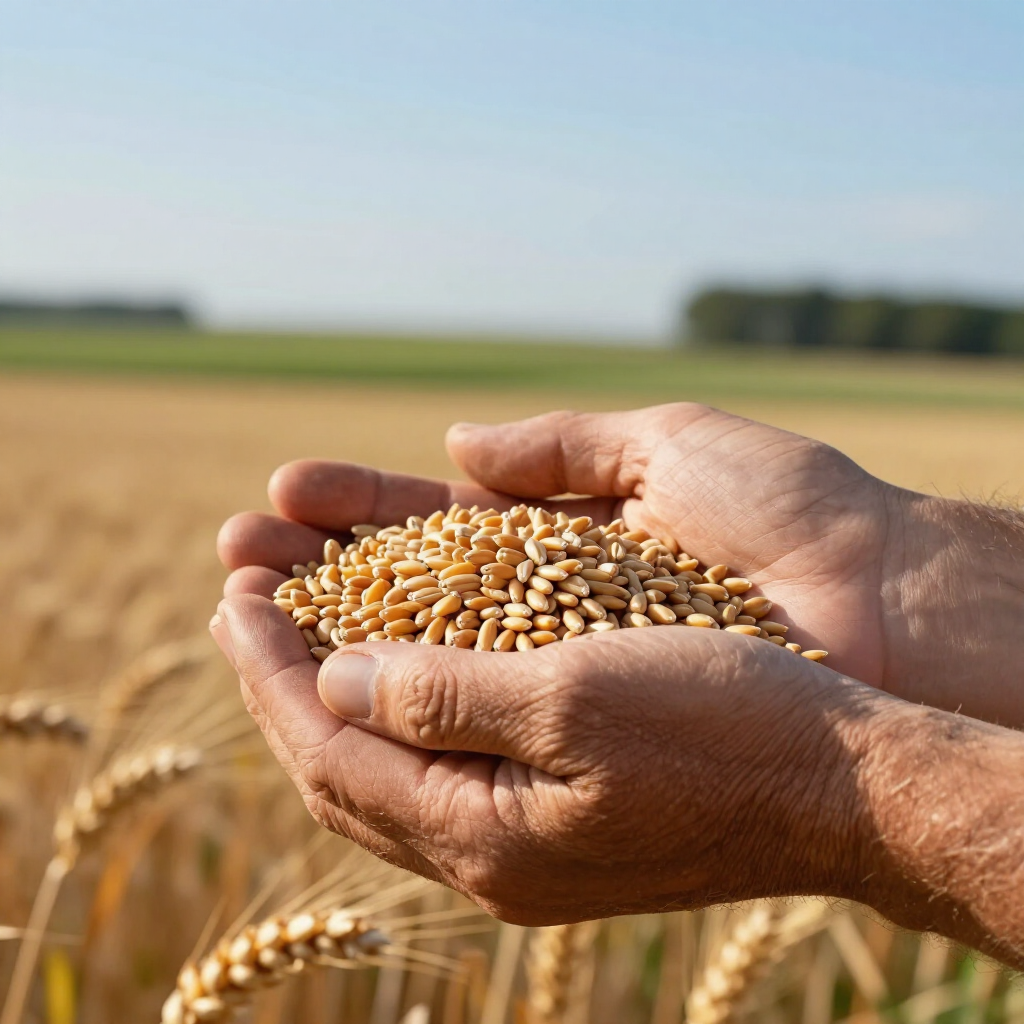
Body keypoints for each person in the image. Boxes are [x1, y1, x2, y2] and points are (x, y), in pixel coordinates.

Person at [210, 403, 1024, 969]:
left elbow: (556, 594)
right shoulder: (442, 572)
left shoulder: (655, 585)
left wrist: (831, 787)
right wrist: (901, 568)